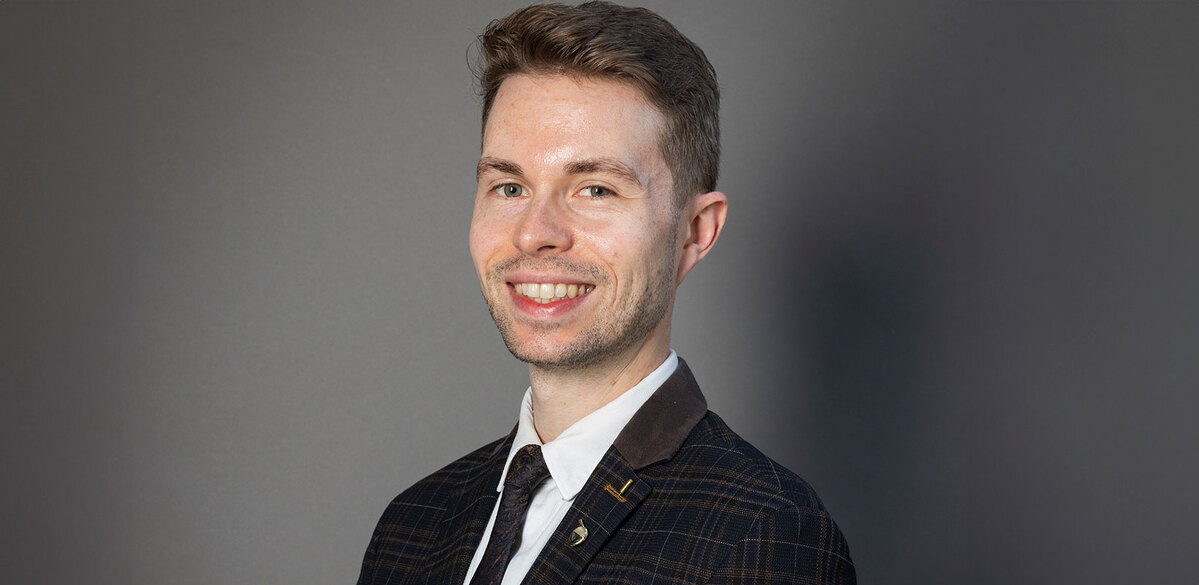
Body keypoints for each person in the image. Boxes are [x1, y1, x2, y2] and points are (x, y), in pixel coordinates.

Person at [357, 2, 855, 584]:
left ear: (695, 232)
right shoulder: (414, 524)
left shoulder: (763, 534)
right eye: (510, 186)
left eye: (595, 189)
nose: (534, 232)